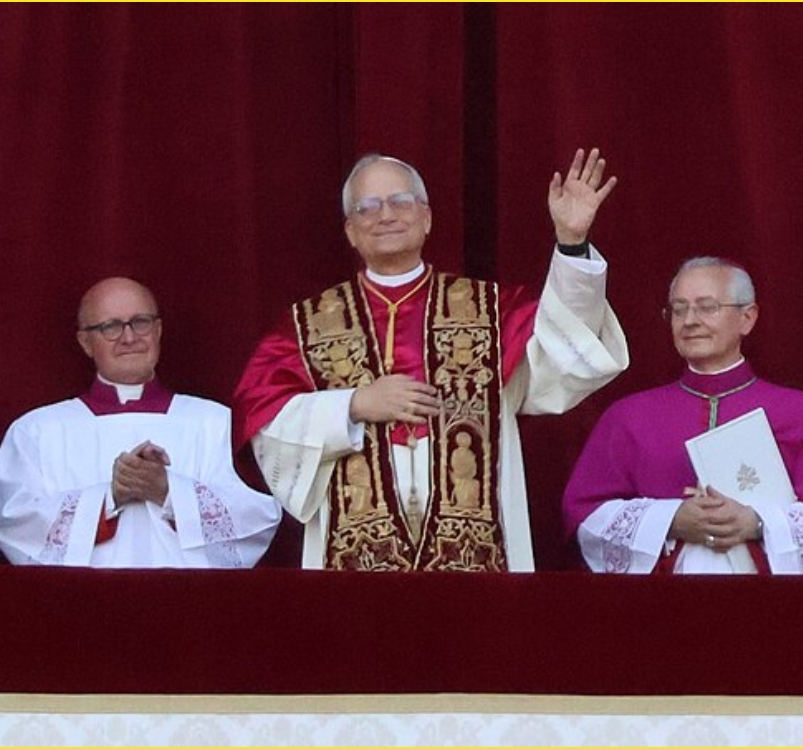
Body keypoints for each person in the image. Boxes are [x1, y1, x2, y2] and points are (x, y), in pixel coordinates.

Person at [233, 148, 630, 571]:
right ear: (350, 230)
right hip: (355, 560)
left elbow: (567, 343)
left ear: (427, 218)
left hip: (479, 555)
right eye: (367, 207)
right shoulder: (306, 326)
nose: (385, 215)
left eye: (400, 202)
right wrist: (352, 406)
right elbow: (263, 418)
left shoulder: (491, 312)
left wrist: (571, 243)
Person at [563, 256, 803, 575]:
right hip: (658, 610)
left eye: (707, 307)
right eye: (678, 309)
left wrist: (755, 521)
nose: (689, 320)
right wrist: (673, 519)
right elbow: (584, 516)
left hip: (771, 610)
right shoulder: (628, 416)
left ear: (747, 318)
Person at [0, 277, 283, 568]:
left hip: (191, 603)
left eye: (140, 322)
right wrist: (109, 496)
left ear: (158, 330)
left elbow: (260, 514)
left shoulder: (217, 423)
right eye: (110, 327)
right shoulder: (37, 431)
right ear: (85, 342)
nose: (129, 338)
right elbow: (11, 519)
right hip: (80, 605)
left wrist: (168, 492)